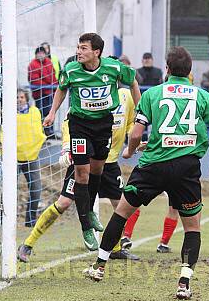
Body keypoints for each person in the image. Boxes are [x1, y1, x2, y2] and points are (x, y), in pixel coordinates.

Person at [85, 46, 209, 300]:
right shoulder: (202, 96)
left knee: (122, 211)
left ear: (166, 69)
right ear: (190, 72)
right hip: (186, 168)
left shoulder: (152, 93)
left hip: (153, 166)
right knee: (192, 226)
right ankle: (184, 282)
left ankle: (99, 266)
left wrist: (131, 151)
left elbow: (136, 132)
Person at [17, 87, 140, 262]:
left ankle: (116, 248)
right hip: (85, 160)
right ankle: (27, 244)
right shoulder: (89, 92)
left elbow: (130, 122)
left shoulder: (126, 96)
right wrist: (67, 147)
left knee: (122, 206)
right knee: (64, 202)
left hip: (110, 162)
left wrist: (133, 138)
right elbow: (68, 122)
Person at [43, 33, 140, 251]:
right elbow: (61, 88)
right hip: (80, 125)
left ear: (96, 52)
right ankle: (86, 225)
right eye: (78, 47)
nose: (79, 51)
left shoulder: (113, 68)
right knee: (82, 173)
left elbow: (133, 81)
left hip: (104, 124)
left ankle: (89, 211)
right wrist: (51, 113)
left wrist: (140, 108)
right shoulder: (71, 70)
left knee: (97, 170)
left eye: (84, 48)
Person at [16, 89, 46, 226]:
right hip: (13, 158)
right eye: (16, 97)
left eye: (21, 97)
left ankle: (30, 220)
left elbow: (38, 132)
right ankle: (2, 219)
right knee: (8, 190)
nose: (19, 99)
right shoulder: (8, 113)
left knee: (36, 189)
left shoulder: (34, 112)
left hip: (31, 156)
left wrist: (35, 147)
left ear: (26, 99)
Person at [28, 46, 58, 137]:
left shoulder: (49, 62)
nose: (41, 55)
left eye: (42, 53)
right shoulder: (32, 64)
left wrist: (54, 86)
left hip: (50, 93)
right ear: (36, 54)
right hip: (39, 94)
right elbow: (34, 80)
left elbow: (53, 76)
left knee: (50, 112)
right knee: (40, 113)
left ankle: (49, 132)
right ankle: (41, 133)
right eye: (39, 53)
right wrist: (48, 85)